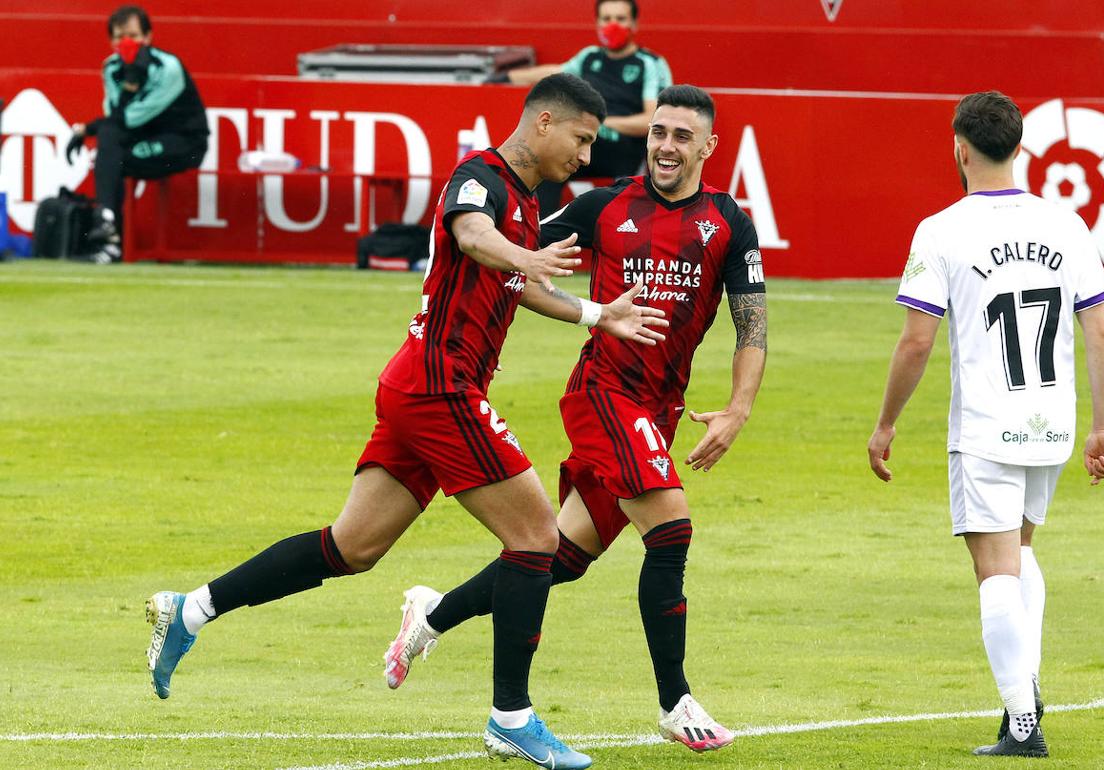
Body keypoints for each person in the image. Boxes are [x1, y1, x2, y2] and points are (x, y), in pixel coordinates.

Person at [144, 73, 668, 770]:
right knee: (537, 539)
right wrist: (524, 256)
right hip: (439, 388)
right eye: (581, 140)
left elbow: (523, 283)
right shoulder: (479, 179)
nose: (584, 155)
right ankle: (512, 717)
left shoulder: (528, 198)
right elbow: (475, 238)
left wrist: (599, 314)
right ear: (544, 123)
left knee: (352, 547)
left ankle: (190, 611)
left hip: (422, 385)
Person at [382, 84, 767, 754]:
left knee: (556, 558)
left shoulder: (729, 221)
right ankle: (675, 701)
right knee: (670, 529)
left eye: (682, 136)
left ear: (708, 146)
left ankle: (431, 615)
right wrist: (569, 301)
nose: (667, 146)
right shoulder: (601, 204)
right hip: (602, 393)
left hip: (658, 410)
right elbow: (516, 260)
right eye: (658, 133)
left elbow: (751, 326)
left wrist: (738, 408)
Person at [866, 91, 1104, 758]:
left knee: (995, 571)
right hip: (1052, 425)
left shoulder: (941, 229)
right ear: (1021, 145)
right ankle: (1024, 698)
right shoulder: (1066, 224)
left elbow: (916, 342)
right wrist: (1103, 427)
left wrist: (885, 423)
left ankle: (1023, 722)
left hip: (985, 427)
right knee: (1021, 554)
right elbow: (1101, 330)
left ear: (958, 146)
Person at [493, 0, 672, 217]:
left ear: (634, 24)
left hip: (623, 154)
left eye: (620, 19)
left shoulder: (650, 63)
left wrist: (602, 123)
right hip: (584, 147)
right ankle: (537, 232)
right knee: (546, 157)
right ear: (597, 23)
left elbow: (652, 121)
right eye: (606, 19)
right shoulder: (589, 57)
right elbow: (556, 73)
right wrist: (508, 77)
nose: (612, 25)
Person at [66, 5, 209, 262]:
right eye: (119, 37)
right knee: (110, 150)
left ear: (148, 37)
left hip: (182, 143)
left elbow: (133, 118)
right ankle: (109, 228)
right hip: (141, 141)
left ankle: (109, 235)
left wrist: (87, 128)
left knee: (110, 155)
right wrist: (129, 79)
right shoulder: (111, 68)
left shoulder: (168, 67)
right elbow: (114, 118)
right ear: (111, 41)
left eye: (132, 36)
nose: (126, 42)